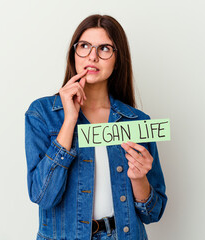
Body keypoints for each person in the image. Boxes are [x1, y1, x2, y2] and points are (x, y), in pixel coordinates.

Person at [25, 14, 167, 240]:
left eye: (104, 49)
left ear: (117, 59)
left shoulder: (137, 122)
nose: (92, 56)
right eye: (84, 46)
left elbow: (154, 213)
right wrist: (70, 120)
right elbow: (42, 196)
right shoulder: (41, 114)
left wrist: (139, 178)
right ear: (74, 53)